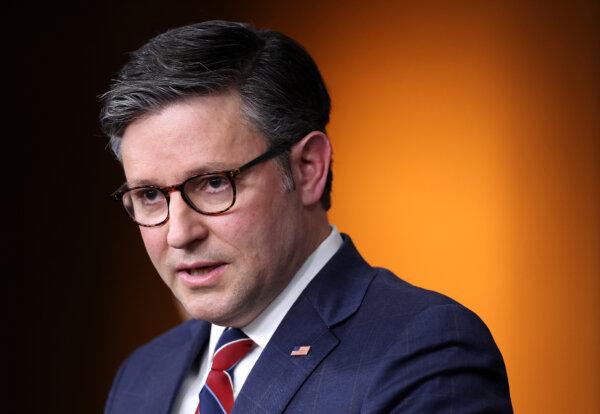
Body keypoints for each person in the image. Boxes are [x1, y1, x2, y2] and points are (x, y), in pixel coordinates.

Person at [100, 20, 512, 414]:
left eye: (212, 183)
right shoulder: (142, 375)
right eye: (150, 194)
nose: (178, 234)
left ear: (308, 169)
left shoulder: (426, 351)